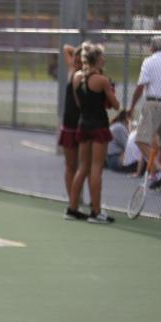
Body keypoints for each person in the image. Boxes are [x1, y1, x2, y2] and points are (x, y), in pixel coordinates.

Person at [67, 43, 120, 224]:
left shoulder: (76, 77)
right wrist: (110, 92)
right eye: (102, 57)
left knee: (83, 167)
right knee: (96, 168)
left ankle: (72, 208)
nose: (104, 59)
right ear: (97, 59)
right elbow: (116, 105)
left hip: (84, 125)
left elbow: (80, 104)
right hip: (98, 126)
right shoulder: (102, 80)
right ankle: (96, 212)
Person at [126, 35, 161, 170]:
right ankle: (158, 174)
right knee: (159, 143)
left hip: (153, 103)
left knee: (141, 140)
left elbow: (141, 86)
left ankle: (160, 170)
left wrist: (132, 106)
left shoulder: (149, 62)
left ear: (151, 48)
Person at [59, 44, 86, 220]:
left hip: (84, 126)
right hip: (70, 125)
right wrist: (79, 50)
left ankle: (79, 201)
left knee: (83, 166)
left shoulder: (88, 74)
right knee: (71, 165)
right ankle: (72, 201)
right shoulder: (72, 69)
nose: (76, 59)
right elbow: (65, 47)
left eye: (80, 57)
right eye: (75, 57)